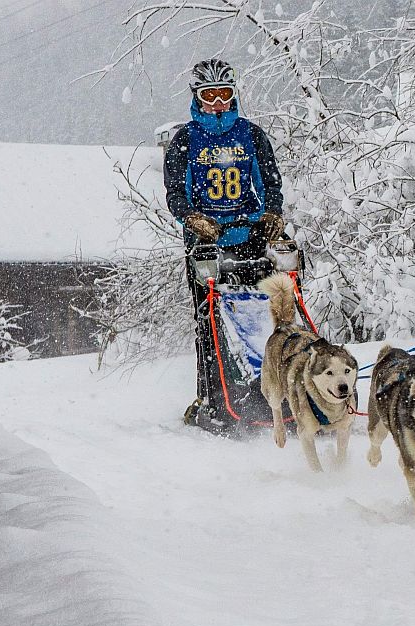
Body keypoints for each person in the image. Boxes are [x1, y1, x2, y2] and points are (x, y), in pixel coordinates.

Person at [164, 59, 285, 425]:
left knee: (271, 311)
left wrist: (272, 214)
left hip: (249, 237)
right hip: (206, 245)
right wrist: (192, 218)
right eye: (209, 96)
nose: (217, 103)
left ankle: (279, 388)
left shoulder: (251, 135)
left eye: (224, 94)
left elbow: (270, 183)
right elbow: (174, 192)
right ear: (197, 98)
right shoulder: (185, 139)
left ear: (234, 95)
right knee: (209, 322)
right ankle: (212, 398)